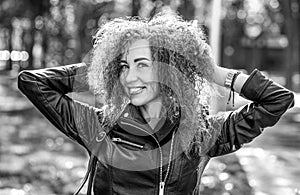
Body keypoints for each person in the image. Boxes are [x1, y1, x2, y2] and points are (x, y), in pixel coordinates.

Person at [18, 10, 294, 195]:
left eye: (142, 65)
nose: (129, 76)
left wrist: (213, 73)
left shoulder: (202, 134)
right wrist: (102, 71)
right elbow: (33, 83)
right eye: (124, 66)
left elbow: (277, 100)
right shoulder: (99, 126)